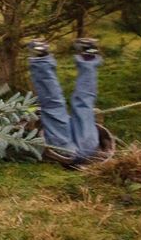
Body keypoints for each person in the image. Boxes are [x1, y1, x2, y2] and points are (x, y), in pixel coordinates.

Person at [27, 37, 106, 166]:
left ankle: (42, 59)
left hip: (67, 150)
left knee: (56, 106)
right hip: (87, 151)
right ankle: (87, 56)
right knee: (82, 105)